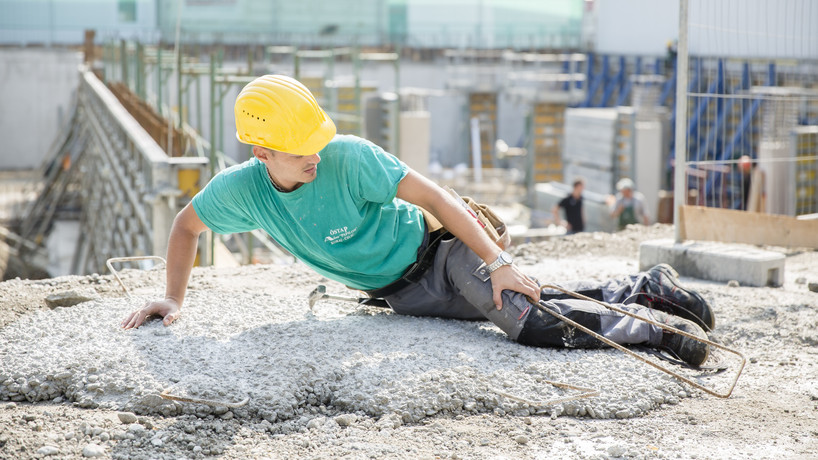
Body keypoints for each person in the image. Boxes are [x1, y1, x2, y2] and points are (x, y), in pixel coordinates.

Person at [122, 75, 713, 366]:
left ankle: (655, 332)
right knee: (518, 302)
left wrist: (495, 259)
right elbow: (185, 227)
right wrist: (173, 299)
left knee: (522, 320)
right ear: (260, 153)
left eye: (315, 142)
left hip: (440, 252)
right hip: (401, 294)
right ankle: (642, 291)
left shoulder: (347, 156)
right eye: (299, 149)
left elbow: (436, 197)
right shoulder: (244, 193)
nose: (314, 155)